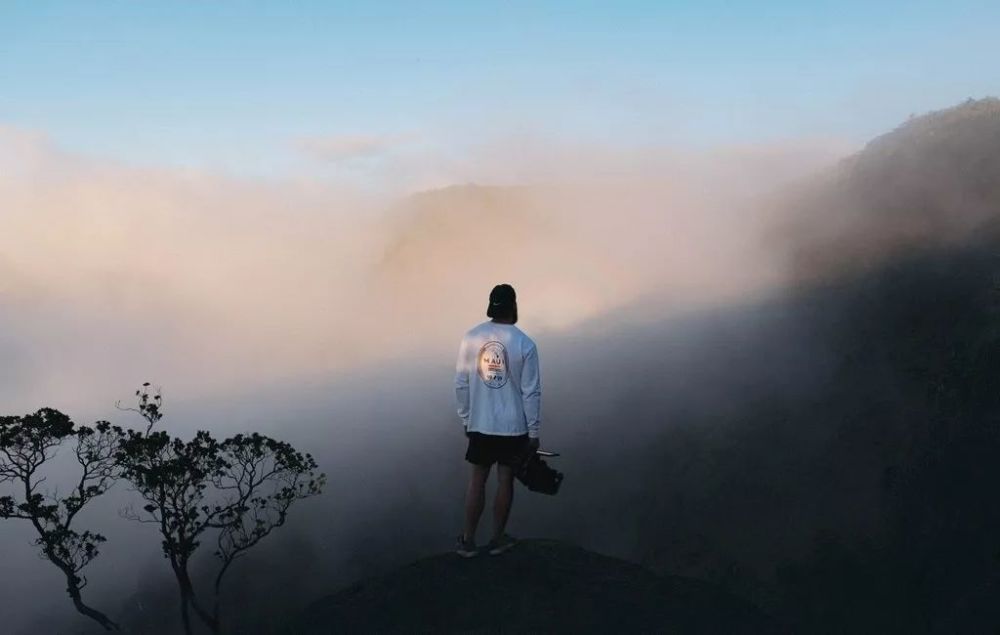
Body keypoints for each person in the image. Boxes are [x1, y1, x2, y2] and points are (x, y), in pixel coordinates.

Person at [454, 283, 541, 557]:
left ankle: (468, 540)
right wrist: (534, 430)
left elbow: (461, 383)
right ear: (514, 306)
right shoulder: (525, 343)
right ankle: (497, 538)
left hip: (480, 423)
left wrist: (467, 419)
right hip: (512, 426)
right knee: (506, 480)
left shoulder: (471, 337)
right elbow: (531, 391)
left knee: (477, 480)